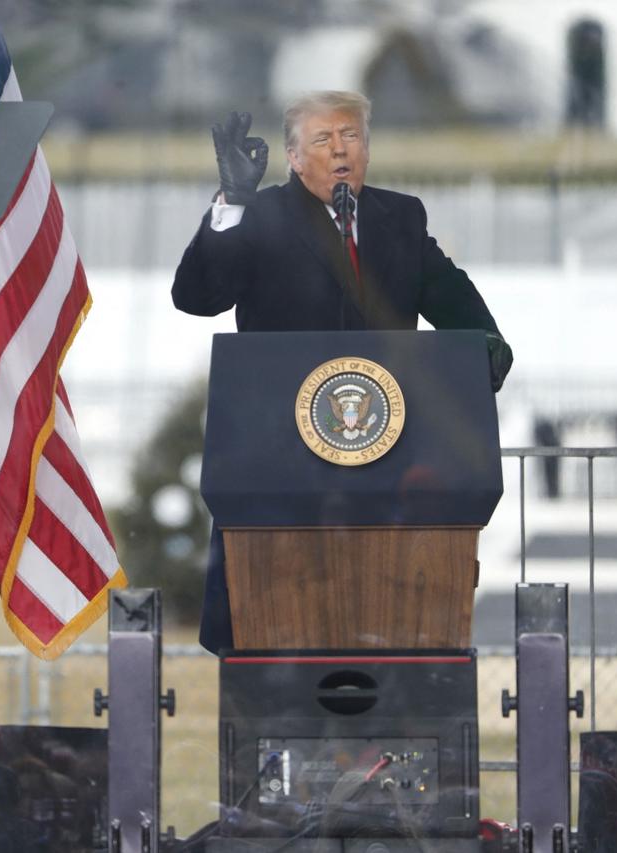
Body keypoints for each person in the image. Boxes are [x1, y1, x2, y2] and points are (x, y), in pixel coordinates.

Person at [172, 90, 513, 653]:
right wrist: (232, 201)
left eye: (350, 136)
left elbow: (446, 290)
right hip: (280, 461)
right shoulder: (259, 216)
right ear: (293, 157)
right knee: (277, 626)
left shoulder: (399, 217)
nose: (340, 151)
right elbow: (197, 296)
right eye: (323, 140)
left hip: (387, 458)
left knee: (384, 626)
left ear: (368, 149)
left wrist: (487, 342)